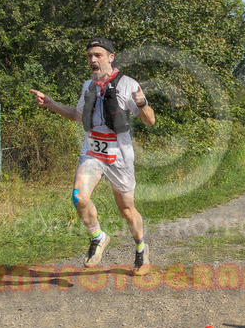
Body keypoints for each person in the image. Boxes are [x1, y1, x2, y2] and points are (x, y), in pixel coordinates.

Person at [30, 37, 155, 275]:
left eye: (98, 55)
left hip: (119, 155)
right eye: (89, 56)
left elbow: (150, 121)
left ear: (110, 57)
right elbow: (76, 115)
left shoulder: (128, 84)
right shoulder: (88, 86)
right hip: (92, 151)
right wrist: (50, 103)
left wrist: (142, 104)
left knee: (127, 210)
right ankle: (98, 237)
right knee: (79, 197)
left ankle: (141, 248)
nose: (92, 59)